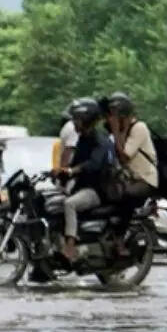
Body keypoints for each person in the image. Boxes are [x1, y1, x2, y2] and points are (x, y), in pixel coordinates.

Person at [58, 98, 114, 261]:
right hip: (81, 187)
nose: (74, 122)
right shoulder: (83, 138)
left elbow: (94, 164)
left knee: (70, 204)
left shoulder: (100, 140)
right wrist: (60, 172)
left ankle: (70, 246)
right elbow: (74, 163)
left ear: (87, 119)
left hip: (96, 190)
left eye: (77, 119)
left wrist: (73, 170)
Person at [106, 92, 158, 199]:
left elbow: (124, 157)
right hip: (129, 178)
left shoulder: (139, 128)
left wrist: (115, 130)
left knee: (126, 195)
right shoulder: (124, 130)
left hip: (145, 179)